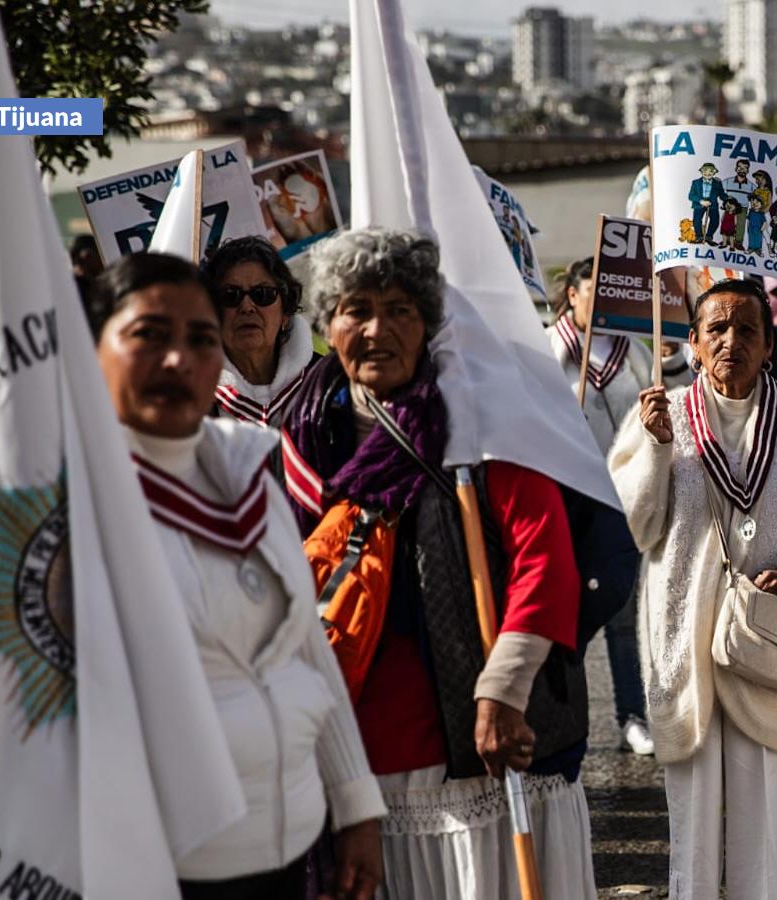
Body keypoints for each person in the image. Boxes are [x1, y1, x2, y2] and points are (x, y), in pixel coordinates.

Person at [280, 228, 597, 899]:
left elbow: (547, 561)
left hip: (477, 745)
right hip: (361, 757)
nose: (376, 329)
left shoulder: (482, 424)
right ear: (326, 324)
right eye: (356, 309)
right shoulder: (302, 442)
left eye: (400, 309)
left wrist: (503, 692)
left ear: (428, 324)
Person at [84, 252, 385, 900]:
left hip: (292, 846)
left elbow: (304, 646)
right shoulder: (73, 506)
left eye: (199, 338)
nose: (178, 360)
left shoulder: (249, 471)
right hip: (157, 865)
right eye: (149, 336)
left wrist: (356, 804)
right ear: (94, 347)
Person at [609, 279, 777, 900]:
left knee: (765, 820)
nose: (730, 341)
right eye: (715, 328)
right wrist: (657, 449)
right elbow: (637, 525)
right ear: (691, 342)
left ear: (771, 344)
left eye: (747, 329)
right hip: (684, 642)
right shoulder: (661, 417)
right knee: (689, 823)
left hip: (770, 641)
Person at [546, 257, 656, 756]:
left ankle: (632, 714)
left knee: (621, 606)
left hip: (622, 497)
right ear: (572, 294)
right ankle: (560, 713)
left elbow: (663, 389)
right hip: (568, 493)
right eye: (594, 287)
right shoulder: (548, 348)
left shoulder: (630, 346)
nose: (603, 297)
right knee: (566, 609)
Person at [203, 235, 319, 425]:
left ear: (286, 312)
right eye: (230, 295)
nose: (247, 307)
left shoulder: (326, 384)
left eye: (263, 294)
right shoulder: (192, 400)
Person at [688, 163, 726, 247]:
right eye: (705, 171)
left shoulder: (717, 183)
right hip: (699, 204)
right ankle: (699, 237)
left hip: (712, 205)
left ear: (714, 172)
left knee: (715, 220)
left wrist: (727, 199)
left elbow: (721, 194)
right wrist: (701, 201)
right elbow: (691, 196)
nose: (707, 173)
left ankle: (709, 237)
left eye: (710, 171)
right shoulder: (696, 183)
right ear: (701, 171)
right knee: (697, 220)